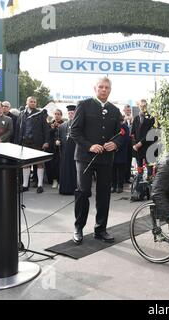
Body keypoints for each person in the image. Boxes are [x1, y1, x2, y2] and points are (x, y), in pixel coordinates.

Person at [70, 77, 123, 244]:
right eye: (101, 87)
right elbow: (74, 131)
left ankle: (100, 229)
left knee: (104, 194)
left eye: (107, 87)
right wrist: (90, 146)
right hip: (85, 157)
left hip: (106, 159)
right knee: (83, 191)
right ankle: (78, 227)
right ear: (95, 88)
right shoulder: (83, 105)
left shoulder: (115, 110)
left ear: (110, 90)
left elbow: (121, 134)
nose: (104, 90)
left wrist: (115, 143)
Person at [15, 96, 50, 193]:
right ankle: (25, 185)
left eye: (34, 102)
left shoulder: (40, 114)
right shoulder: (22, 114)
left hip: (37, 142)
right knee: (25, 164)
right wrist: (17, 143)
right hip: (25, 142)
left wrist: (46, 141)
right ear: (27, 102)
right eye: (31, 101)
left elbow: (46, 129)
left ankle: (40, 185)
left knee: (40, 163)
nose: (33, 103)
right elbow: (18, 129)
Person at [131, 99, 155, 180]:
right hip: (138, 148)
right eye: (141, 106)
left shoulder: (151, 118)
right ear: (139, 106)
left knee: (149, 168)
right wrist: (134, 144)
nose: (142, 107)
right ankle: (140, 187)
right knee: (139, 167)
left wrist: (141, 143)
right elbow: (132, 133)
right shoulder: (136, 118)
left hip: (148, 146)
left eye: (144, 106)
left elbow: (151, 134)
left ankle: (148, 185)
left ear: (146, 106)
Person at [56, 105, 77, 195]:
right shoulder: (62, 126)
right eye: (69, 113)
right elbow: (58, 137)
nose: (70, 114)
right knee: (65, 170)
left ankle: (75, 189)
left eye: (72, 113)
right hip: (64, 153)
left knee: (74, 170)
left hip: (75, 152)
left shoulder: (79, 125)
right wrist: (57, 141)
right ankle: (64, 189)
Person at [45, 109, 64, 188]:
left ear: (61, 115)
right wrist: (52, 129)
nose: (57, 115)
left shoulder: (64, 124)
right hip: (52, 147)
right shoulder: (50, 124)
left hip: (61, 147)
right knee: (52, 164)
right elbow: (47, 135)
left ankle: (60, 181)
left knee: (60, 164)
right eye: (55, 114)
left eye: (58, 114)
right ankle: (54, 180)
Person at [112, 115, 130, 193]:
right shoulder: (112, 126)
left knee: (120, 170)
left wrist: (117, 146)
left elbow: (125, 139)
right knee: (113, 170)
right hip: (112, 152)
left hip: (121, 151)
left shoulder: (124, 127)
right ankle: (113, 185)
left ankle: (120, 186)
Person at [123, 104, 133, 183]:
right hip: (123, 143)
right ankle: (122, 178)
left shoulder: (133, 119)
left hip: (130, 142)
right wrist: (124, 121)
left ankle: (127, 177)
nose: (128, 112)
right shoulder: (122, 117)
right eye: (127, 110)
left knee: (129, 160)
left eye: (129, 111)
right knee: (123, 160)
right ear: (124, 111)